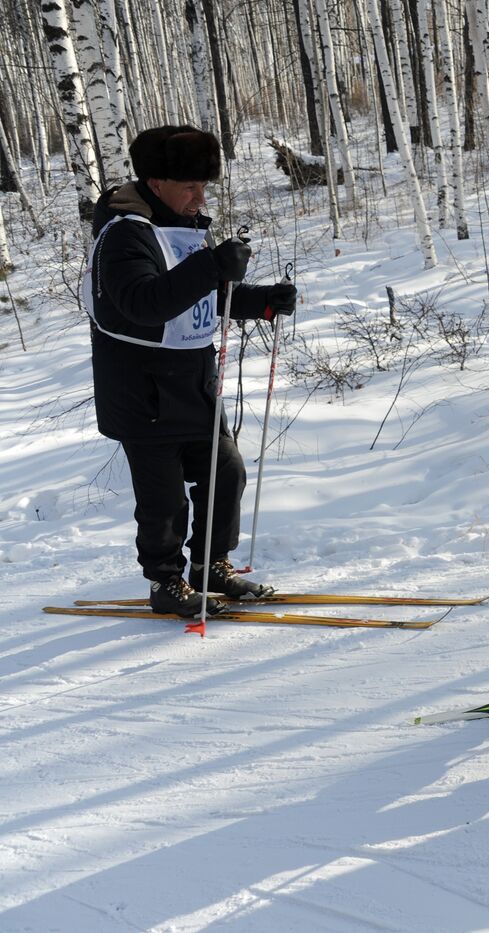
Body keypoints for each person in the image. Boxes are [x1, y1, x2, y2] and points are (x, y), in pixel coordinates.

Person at [84, 126, 297, 616]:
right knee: (164, 499)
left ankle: (210, 566)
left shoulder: (184, 228)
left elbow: (202, 295)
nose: (200, 198)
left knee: (226, 473)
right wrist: (213, 266)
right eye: (190, 187)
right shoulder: (123, 236)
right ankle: (164, 582)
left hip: (194, 385)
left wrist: (263, 301)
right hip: (142, 392)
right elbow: (144, 304)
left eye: (204, 186)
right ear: (156, 183)